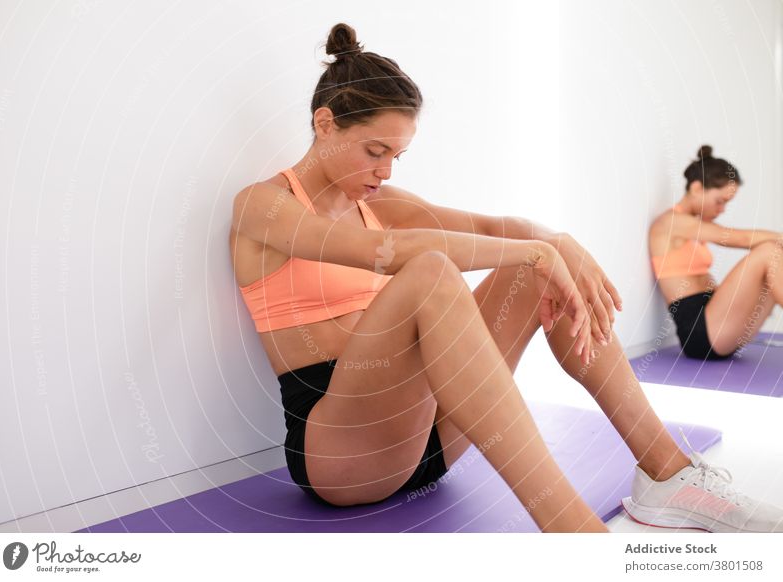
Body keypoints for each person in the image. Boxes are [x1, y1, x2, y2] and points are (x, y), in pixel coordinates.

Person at [230, 23, 783, 533]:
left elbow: (500, 226)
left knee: (534, 268)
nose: (386, 171)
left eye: (398, 156)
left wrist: (554, 245)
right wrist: (533, 252)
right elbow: (382, 251)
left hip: (431, 436)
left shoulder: (382, 202)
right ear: (326, 124)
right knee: (433, 271)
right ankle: (576, 535)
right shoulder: (265, 207)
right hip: (345, 456)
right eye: (375, 151)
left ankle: (668, 474)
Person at [649, 145, 783, 361]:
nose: (721, 210)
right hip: (700, 333)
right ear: (696, 189)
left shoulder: (693, 226)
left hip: (719, 326)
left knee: (774, 254)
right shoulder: (673, 222)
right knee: (769, 252)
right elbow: (739, 239)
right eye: (719, 201)